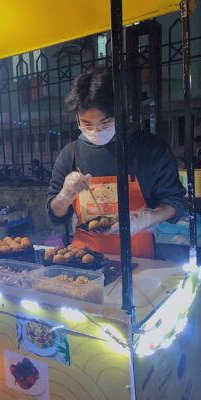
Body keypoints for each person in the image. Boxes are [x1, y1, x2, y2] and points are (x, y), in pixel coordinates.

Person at [46, 68, 186, 258]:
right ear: (77, 118)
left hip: (138, 260)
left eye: (105, 123)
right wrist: (64, 196)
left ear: (121, 114)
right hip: (84, 258)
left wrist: (145, 218)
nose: (96, 130)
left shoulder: (151, 149)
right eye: (87, 124)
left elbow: (174, 202)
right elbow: (55, 214)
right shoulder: (69, 155)